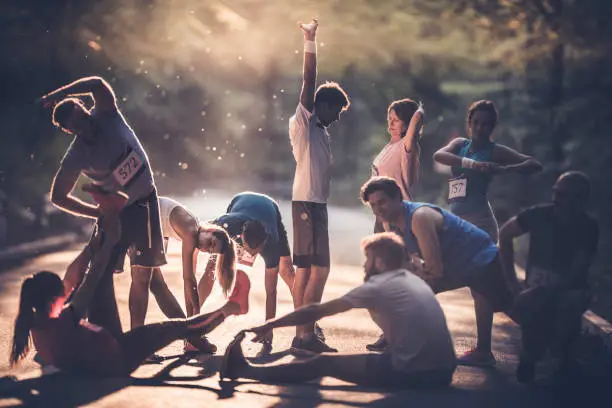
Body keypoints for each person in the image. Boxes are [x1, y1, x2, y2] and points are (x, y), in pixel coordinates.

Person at [10, 217, 250, 377]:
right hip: (120, 354)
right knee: (179, 327)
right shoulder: (64, 320)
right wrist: (104, 246)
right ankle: (232, 307)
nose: (65, 296)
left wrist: (97, 245)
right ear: (51, 300)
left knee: (95, 278)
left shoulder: (34, 326)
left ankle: (111, 228)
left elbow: (82, 280)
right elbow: (90, 279)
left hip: (101, 349)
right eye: (60, 295)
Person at [219, 232, 456, 388]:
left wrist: (271, 324)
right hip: (443, 369)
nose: (365, 265)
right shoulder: (410, 279)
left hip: (419, 373)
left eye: (368, 259)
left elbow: (315, 311)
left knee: (323, 363)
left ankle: (244, 370)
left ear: (381, 262)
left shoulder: (380, 285)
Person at [40, 76, 165, 336]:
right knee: (95, 269)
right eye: (78, 124)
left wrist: (57, 93)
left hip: (144, 203)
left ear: (87, 109)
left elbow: (97, 82)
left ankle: (136, 336)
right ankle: (67, 323)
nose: (87, 124)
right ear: (69, 130)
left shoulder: (107, 115)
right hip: (114, 213)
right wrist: (96, 212)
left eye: (84, 116)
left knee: (144, 275)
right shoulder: (76, 155)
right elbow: (58, 196)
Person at [433, 99, 542, 366]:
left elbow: (534, 164)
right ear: (469, 124)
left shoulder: (495, 151)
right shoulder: (460, 145)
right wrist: (474, 165)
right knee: (431, 272)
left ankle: (485, 350)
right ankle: (534, 324)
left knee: (480, 287)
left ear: (493, 127)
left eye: (486, 124)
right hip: (455, 224)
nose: (480, 128)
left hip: (480, 224)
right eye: (476, 123)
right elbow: (439, 156)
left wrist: (506, 169)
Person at [360, 176, 516, 354]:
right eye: (373, 205)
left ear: (398, 197)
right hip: (455, 264)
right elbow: (407, 259)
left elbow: (435, 272)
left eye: (382, 202)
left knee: (516, 311)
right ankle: (396, 337)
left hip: (483, 259)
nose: (378, 209)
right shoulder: (388, 221)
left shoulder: (420, 217)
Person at [499, 171, 598, 383]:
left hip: (568, 290)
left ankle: (560, 352)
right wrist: (511, 283)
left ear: (579, 201)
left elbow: (578, 271)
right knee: (531, 338)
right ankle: (533, 353)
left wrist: (544, 292)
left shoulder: (588, 227)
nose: (557, 199)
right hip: (535, 288)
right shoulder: (538, 215)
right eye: (556, 193)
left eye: (564, 195)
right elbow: (505, 233)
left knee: (568, 306)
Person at [288, 18, 350, 353]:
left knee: (307, 271)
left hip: (315, 206)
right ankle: (304, 334)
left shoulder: (322, 133)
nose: (338, 116)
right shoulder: (305, 124)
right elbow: (308, 80)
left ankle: (303, 335)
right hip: (307, 205)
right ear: (321, 105)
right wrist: (310, 40)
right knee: (318, 269)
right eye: (337, 110)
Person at [204, 192, 298, 353]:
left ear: (265, 243)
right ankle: (192, 322)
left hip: (271, 210)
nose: (253, 255)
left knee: (287, 271)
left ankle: (307, 319)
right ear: (241, 237)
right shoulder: (226, 225)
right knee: (211, 267)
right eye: (250, 250)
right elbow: (198, 231)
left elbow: (271, 292)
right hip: (239, 201)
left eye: (257, 252)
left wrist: (269, 328)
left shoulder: (272, 244)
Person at [367, 98, 424, 351]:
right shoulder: (389, 146)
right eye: (389, 117)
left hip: (398, 219)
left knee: (394, 278)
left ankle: (398, 335)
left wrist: (418, 112)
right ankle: (392, 333)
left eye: (397, 118)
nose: (391, 122)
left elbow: (415, 127)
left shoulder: (406, 146)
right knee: (380, 277)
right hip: (381, 220)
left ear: (407, 123)